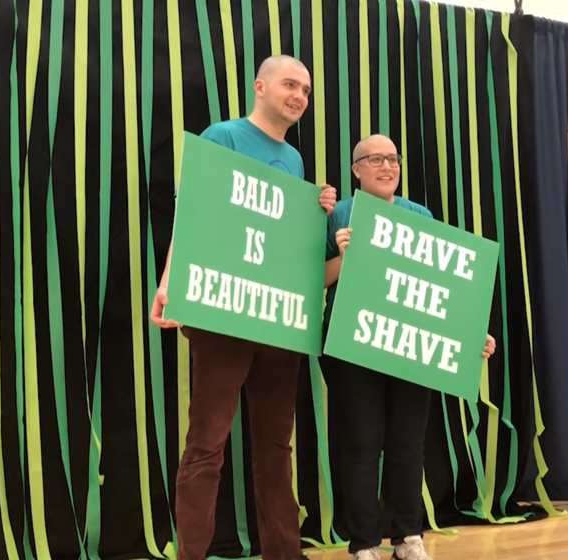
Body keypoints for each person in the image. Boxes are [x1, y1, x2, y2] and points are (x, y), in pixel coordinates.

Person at [150, 54, 337, 560]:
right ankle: (191, 554)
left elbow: (282, 241)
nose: (298, 95)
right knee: (206, 443)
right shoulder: (223, 136)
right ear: (261, 86)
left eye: (306, 89)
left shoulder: (294, 160)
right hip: (222, 315)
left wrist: (313, 210)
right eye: (290, 84)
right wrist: (169, 282)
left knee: (276, 446)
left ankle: (285, 552)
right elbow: (193, 211)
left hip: (276, 319)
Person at [321, 135, 497, 560]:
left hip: (409, 346)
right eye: (375, 159)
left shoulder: (421, 216)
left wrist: (471, 332)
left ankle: (407, 537)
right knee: (362, 445)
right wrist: (344, 256)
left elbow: (438, 288)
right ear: (356, 169)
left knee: (408, 445)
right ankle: (363, 544)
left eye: (393, 159)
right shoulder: (337, 212)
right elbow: (315, 279)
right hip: (354, 346)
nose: (387, 166)